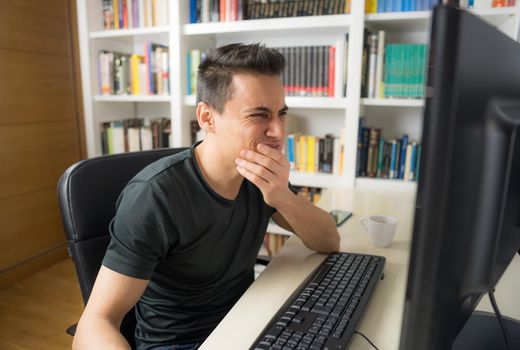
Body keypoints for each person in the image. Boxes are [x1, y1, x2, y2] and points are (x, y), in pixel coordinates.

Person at [72, 43, 340, 350]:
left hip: (249, 324)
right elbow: (96, 322)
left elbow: (329, 240)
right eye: (259, 115)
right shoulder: (154, 196)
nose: (278, 131)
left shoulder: (258, 174)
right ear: (207, 117)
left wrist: (283, 197)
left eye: (281, 113)